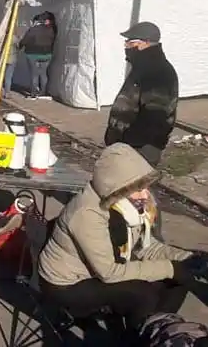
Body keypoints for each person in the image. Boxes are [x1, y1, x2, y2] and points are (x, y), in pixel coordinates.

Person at [38, 143, 207, 336]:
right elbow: (109, 273)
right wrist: (170, 267)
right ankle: (139, 336)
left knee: (179, 279)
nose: (145, 195)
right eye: (138, 189)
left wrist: (187, 259)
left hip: (98, 270)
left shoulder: (128, 207)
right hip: (67, 284)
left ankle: (156, 330)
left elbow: (145, 247)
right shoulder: (87, 214)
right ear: (116, 188)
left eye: (145, 187)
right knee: (141, 293)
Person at [104, 22, 178, 167]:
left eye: (130, 42)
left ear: (145, 43)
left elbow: (156, 115)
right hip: (128, 146)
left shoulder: (157, 71)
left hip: (139, 149)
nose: (126, 46)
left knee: (134, 188)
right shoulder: (143, 68)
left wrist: (133, 144)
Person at [19, 12, 57, 99]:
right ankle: (43, 93)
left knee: (34, 74)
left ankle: (33, 94)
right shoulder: (52, 29)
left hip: (32, 54)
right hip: (47, 54)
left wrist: (20, 46)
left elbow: (25, 40)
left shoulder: (33, 29)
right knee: (43, 74)